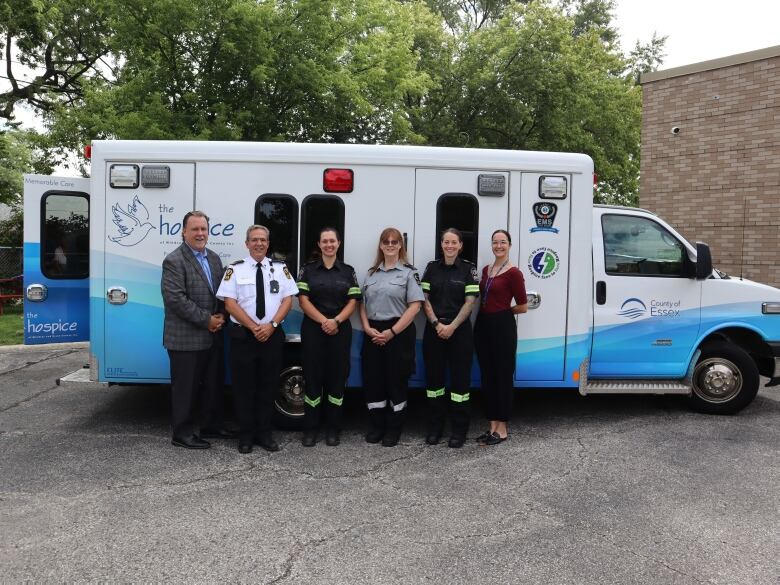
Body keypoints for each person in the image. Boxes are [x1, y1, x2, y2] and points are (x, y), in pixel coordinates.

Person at [216, 225, 298, 454]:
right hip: (244, 336)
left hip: (271, 336)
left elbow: (287, 301)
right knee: (243, 388)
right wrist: (254, 327)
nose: (259, 243)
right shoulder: (235, 269)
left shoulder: (281, 269)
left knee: (268, 387)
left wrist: (271, 326)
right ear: (247, 244)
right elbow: (229, 303)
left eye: (263, 240)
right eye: (254, 240)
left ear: (268, 244)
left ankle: (265, 433)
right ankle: (246, 435)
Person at [161, 211, 227, 449]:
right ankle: (182, 433)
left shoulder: (214, 259)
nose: (200, 234)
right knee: (185, 390)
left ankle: (211, 425)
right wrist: (207, 320)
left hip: (212, 336)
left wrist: (222, 314)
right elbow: (176, 300)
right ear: (184, 232)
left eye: (204, 229)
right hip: (185, 339)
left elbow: (221, 292)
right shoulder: (174, 260)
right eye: (195, 229)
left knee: (212, 385)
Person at [360, 227, 424, 447]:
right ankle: (377, 426)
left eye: (394, 242)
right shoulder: (371, 273)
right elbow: (362, 304)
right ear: (380, 245)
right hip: (373, 332)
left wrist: (392, 332)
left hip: (399, 332)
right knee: (374, 380)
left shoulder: (408, 272)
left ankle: (393, 429)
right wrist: (367, 328)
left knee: (396, 381)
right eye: (386, 241)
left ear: (400, 245)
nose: (389, 245)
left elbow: (415, 306)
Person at [297, 227, 361, 447]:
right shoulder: (307, 270)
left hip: (340, 329)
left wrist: (336, 321)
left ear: (338, 244)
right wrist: (324, 321)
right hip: (314, 329)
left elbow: (353, 301)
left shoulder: (348, 271)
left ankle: (333, 429)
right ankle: (310, 430)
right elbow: (303, 301)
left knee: (337, 380)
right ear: (319, 244)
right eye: (325, 241)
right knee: (312, 380)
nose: (328, 245)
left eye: (332, 241)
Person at [421, 228, 480, 448]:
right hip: (434, 330)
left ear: (460, 245)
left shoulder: (468, 269)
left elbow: (470, 302)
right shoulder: (431, 268)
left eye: (454, 242)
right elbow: (424, 299)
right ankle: (435, 429)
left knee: (460, 385)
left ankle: (459, 431)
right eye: (446, 242)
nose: (449, 246)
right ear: (441, 244)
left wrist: (452, 326)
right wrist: (437, 324)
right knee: (434, 383)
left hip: (460, 331)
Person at [474, 229, 528, 446]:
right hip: (483, 326)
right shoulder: (487, 270)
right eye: (495, 242)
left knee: (503, 377)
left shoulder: (514, 273)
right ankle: (491, 425)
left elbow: (523, 306)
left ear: (510, 245)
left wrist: (503, 314)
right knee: (487, 377)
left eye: (503, 242)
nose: (499, 246)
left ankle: (502, 428)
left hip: (502, 327)